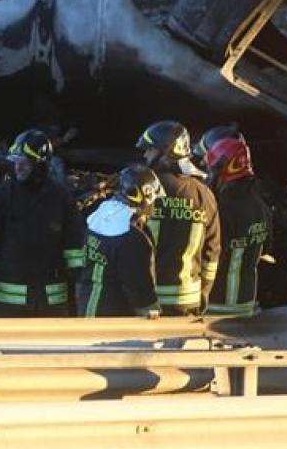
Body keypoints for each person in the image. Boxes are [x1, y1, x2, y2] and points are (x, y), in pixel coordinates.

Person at [0, 129, 86, 317]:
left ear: (40, 164)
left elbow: (74, 244)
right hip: (8, 303)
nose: (18, 168)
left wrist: (78, 279)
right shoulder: (0, 196)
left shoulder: (60, 197)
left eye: (24, 163)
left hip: (51, 300)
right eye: (15, 162)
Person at [135, 120, 221, 316]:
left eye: (150, 150)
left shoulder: (144, 191)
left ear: (166, 152)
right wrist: (204, 294)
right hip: (188, 303)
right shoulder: (203, 194)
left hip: (147, 302)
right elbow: (212, 252)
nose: (145, 155)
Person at [79, 164, 164, 318]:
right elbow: (140, 290)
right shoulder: (133, 237)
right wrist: (153, 315)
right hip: (114, 318)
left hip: (87, 308)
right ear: (147, 196)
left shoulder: (97, 218)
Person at [201, 131, 271, 316]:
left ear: (223, 169)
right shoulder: (261, 206)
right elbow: (267, 247)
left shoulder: (222, 208)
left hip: (217, 302)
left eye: (211, 170)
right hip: (246, 302)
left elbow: (210, 251)